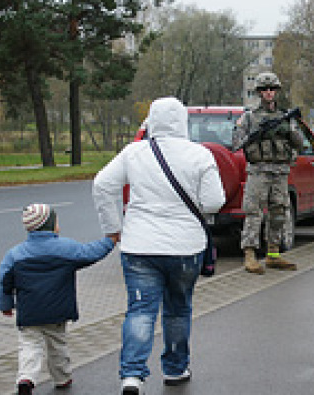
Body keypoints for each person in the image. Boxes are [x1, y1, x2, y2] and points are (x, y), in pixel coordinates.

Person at [92, 97, 225, 394]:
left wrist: (113, 229)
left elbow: (102, 186)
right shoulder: (199, 155)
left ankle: (132, 375)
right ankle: (175, 369)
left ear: (151, 120)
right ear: (182, 121)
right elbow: (214, 202)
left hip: (139, 246)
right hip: (185, 247)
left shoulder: (134, 152)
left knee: (140, 310)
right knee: (178, 309)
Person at [0, 203, 116, 395]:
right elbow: (90, 253)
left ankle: (26, 378)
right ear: (50, 224)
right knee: (57, 345)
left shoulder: (15, 254)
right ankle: (62, 378)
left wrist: (5, 305)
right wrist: (110, 241)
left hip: (29, 312)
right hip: (57, 311)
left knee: (29, 346)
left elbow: (3, 281)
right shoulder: (65, 248)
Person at [232, 71, 305, 274]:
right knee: (253, 212)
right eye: (265, 89)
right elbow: (236, 143)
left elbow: (299, 143)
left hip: (280, 172)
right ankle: (250, 254)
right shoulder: (249, 117)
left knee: (279, 212)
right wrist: (257, 136)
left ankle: (273, 253)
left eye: (272, 89)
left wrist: (287, 131)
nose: (269, 93)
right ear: (258, 92)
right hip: (258, 171)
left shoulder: (285, 117)